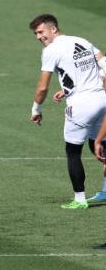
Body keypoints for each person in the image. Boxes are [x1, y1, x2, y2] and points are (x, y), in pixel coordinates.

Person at [29, 13, 106, 209]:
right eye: (35, 34)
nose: (38, 37)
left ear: (53, 29)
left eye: (40, 32)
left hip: (81, 105)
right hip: (101, 99)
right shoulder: (81, 41)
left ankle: (79, 199)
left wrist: (36, 108)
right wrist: (67, 89)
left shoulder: (51, 51)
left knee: (73, 152)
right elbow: (102, 62)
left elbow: (42, 87)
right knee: (97, 142)